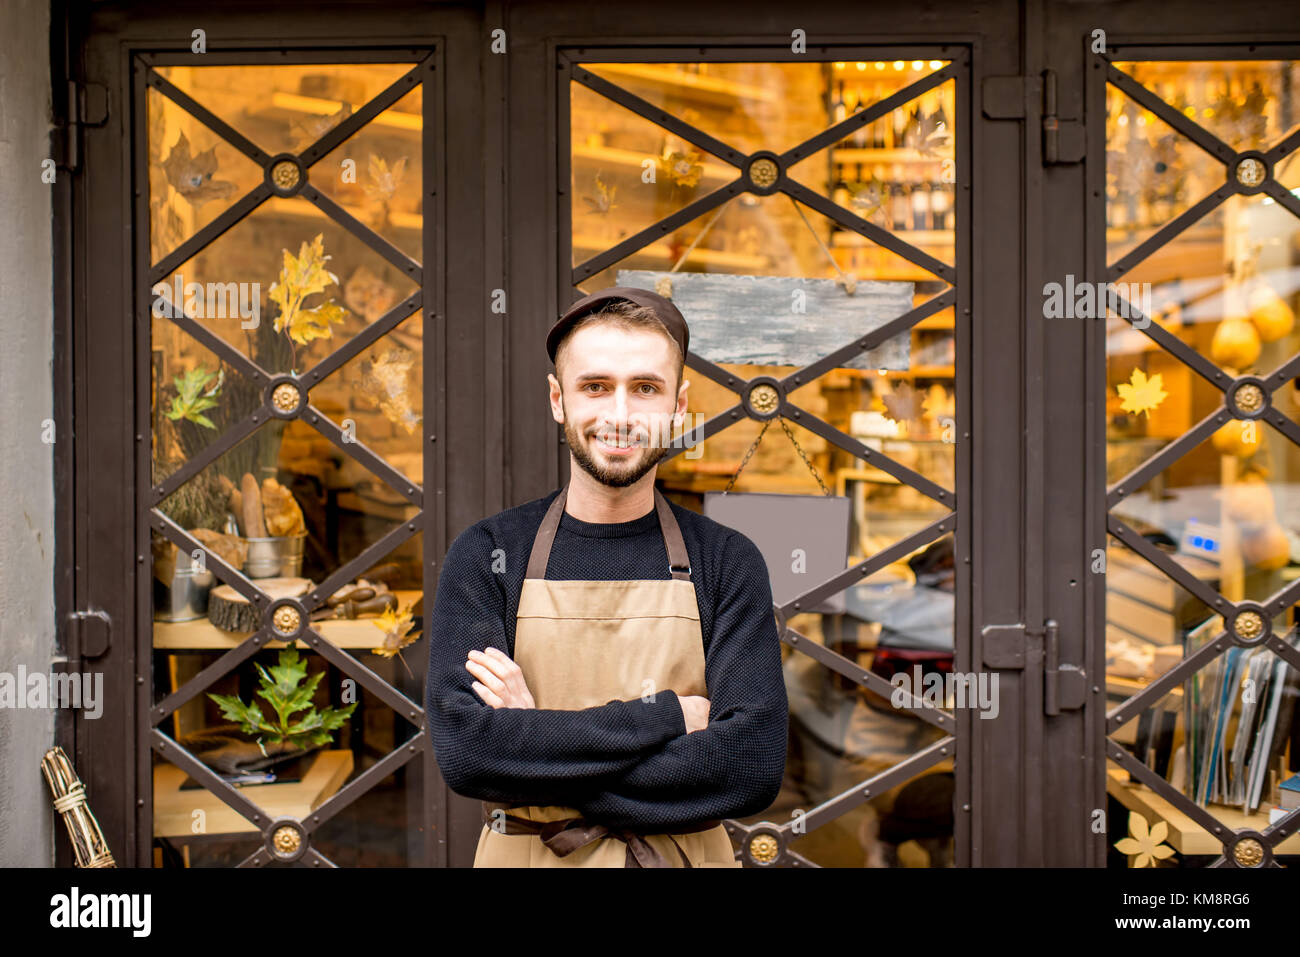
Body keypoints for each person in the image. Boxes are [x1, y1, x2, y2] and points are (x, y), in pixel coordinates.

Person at [426, 286, 788, 867]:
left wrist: (534, 743)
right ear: (557, 399)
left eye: (645, 388)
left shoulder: (727, 560)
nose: (619, 416)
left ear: (678, 403)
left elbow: (749, 766)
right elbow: (469, 753)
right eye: (595, 387)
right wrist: (671, 717)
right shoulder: (489, 553)